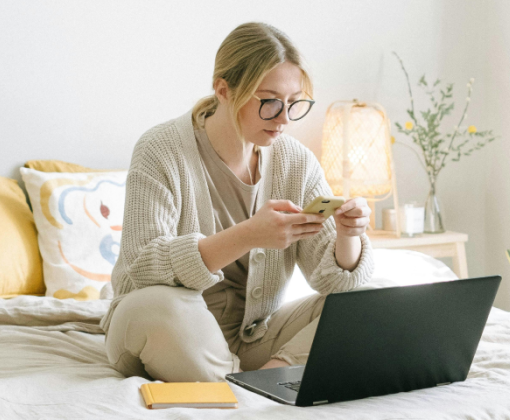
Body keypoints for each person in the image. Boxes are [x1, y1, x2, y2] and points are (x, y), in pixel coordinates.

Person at [101, 22, 374, 382]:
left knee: (369, 300)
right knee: (159, 306)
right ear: (223, 90)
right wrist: (247, 235)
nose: (284, 119)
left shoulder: (296, 162)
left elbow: (337, 286)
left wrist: (348, 235)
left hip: (255, 337)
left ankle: (262, 382)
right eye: (270, 102)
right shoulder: (160, 149)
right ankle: (250, 383)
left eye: (294, 104)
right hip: (162, 328)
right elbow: (142, 267)